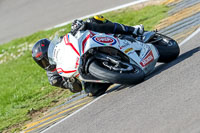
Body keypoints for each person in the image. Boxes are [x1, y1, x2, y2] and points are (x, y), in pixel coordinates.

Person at [32, 15, 144, 96]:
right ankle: (116, 74)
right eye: (43, 61)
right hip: (87, 72)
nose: (47, 61)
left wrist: (77, 27)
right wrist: (70, 83)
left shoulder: (60, 44)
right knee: (91, 91)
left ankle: (132, 30)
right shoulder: (53, 77)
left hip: (85, 50)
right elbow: (75, 88)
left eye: (47, 56)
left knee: (94, 20)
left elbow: (71, 38)